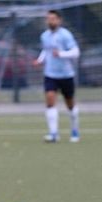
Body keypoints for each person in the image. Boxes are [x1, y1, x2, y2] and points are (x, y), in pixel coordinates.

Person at [35, 10, 80, 143]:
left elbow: (76, 52)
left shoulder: (66, 35)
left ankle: (74, 129)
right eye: (48, 19)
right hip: (50, 74)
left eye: (53, 18)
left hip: (66, 74)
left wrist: (61, 54)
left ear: (59, 20)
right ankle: (53, 133)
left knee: (70, 103)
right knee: (50, 100)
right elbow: (46, 51)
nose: (50, 21)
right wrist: (40, 60)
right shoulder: (44, 36)